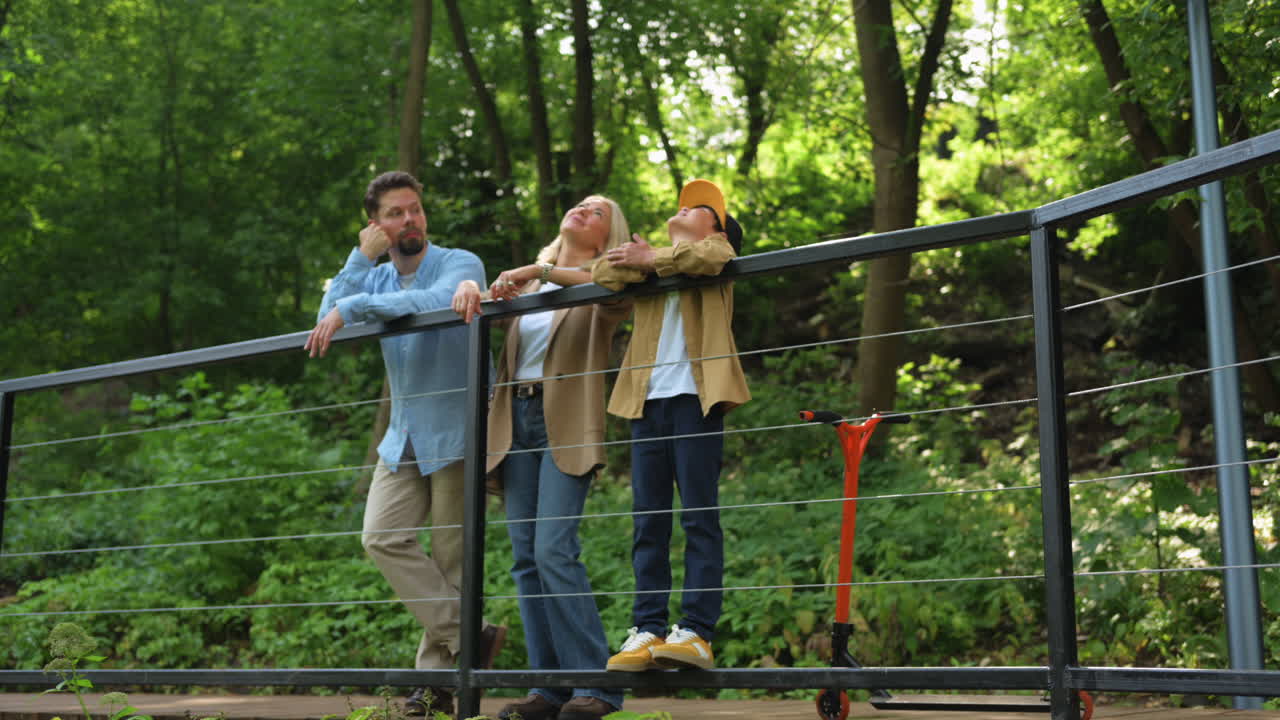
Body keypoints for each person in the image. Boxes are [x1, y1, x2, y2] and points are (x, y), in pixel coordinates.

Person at [305, 171, 506, 718]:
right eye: (395, 213)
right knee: (381, 536)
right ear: (376, 225)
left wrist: (354, 309)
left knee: (451, 560)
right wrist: (357, 263)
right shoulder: (370, 275)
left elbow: (436, 300)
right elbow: (325, 314)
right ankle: (474, 639)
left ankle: (439, 684)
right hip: (404, 436)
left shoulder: (460, 263)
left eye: (414, 209)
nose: (409, 220)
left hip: (458, 427)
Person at [450, 196, 632, 720]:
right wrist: (471, 288)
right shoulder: (526, 286)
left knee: (555, 550)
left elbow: (616, 293)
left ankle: (596, 686)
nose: (582, 210)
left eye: (596, 212)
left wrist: (542, 268)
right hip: (516, 421)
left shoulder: (603, 273)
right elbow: (478, 309)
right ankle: (549, 690)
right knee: (526, 558)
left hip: (565, 422)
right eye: (579, 205)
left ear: (607, 237)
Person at [592, 179, 750, 673]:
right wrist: (645, 261)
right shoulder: (650, 264)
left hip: (696, 402)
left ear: (718, 226)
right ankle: (647, 629)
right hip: (647, 404)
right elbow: (602, 271)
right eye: (681, 204)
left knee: (699, 515)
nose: (684, 209)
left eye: (699, 208)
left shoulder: (714, 253)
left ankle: (698, 631)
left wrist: (651, 259)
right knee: (648, 521)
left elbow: (708, 258)